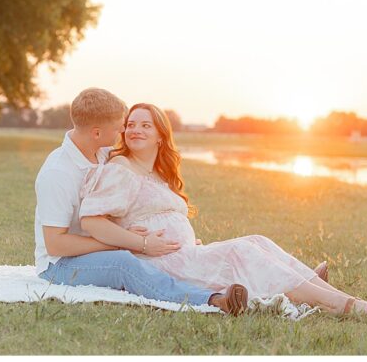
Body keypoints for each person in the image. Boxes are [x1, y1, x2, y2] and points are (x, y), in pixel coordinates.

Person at [79, 102, 367, 318]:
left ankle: (309, 285)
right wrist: (144, 243)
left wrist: (189, 242)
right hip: (155, 263)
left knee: (256, 240)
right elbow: (92, 222)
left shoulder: (158, 174)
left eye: (146, 125)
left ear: (161, 135)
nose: (135, 129)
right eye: (131, 124)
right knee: (240, 252)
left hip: (178, 253)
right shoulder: (120, 168)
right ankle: (343, 304)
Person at [33, 88, 248, 316]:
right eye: (119, 127)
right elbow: (56, 245)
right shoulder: (58, 173)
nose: (124, 131)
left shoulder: (103, 153)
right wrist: (126, 243)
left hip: (99, 247)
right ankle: (212, 300)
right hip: (60, 265)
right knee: (122, 263)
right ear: (96, 133)